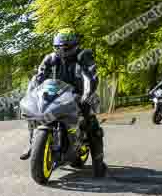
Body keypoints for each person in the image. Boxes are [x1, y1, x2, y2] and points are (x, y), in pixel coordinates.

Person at [19, 29, 108, 178]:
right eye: (59, 47)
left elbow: (90, 77)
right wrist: (31, 94)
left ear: (75, 45)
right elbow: (38, 78)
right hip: (57, 94)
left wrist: (86, 95)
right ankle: (32, 143)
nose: (63, 50)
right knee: (35, 114)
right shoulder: (50, 58)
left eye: (66, 47)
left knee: (92, 125)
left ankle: (98, 163)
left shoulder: (84, 56)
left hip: (79, 94)